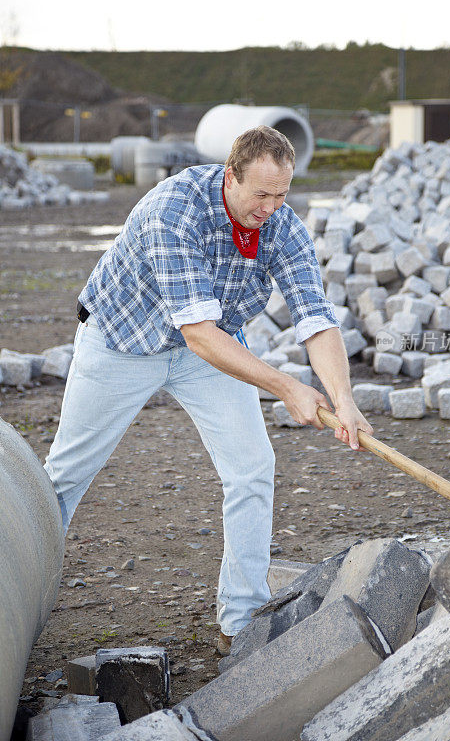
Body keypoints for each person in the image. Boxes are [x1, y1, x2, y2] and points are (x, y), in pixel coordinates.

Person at [44, 125, 373, 656]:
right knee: (65, 477)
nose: (270, 207)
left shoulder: (280, 224)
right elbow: (196, 332)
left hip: (212, 344)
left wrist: (344, 399)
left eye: (281, 194)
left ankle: (240, 624)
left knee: (251, 468)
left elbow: (315, 319)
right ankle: (13, 595)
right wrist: (287, 386)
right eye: (260, 194)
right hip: (125, 338)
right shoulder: (175, 211)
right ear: (230, 176)